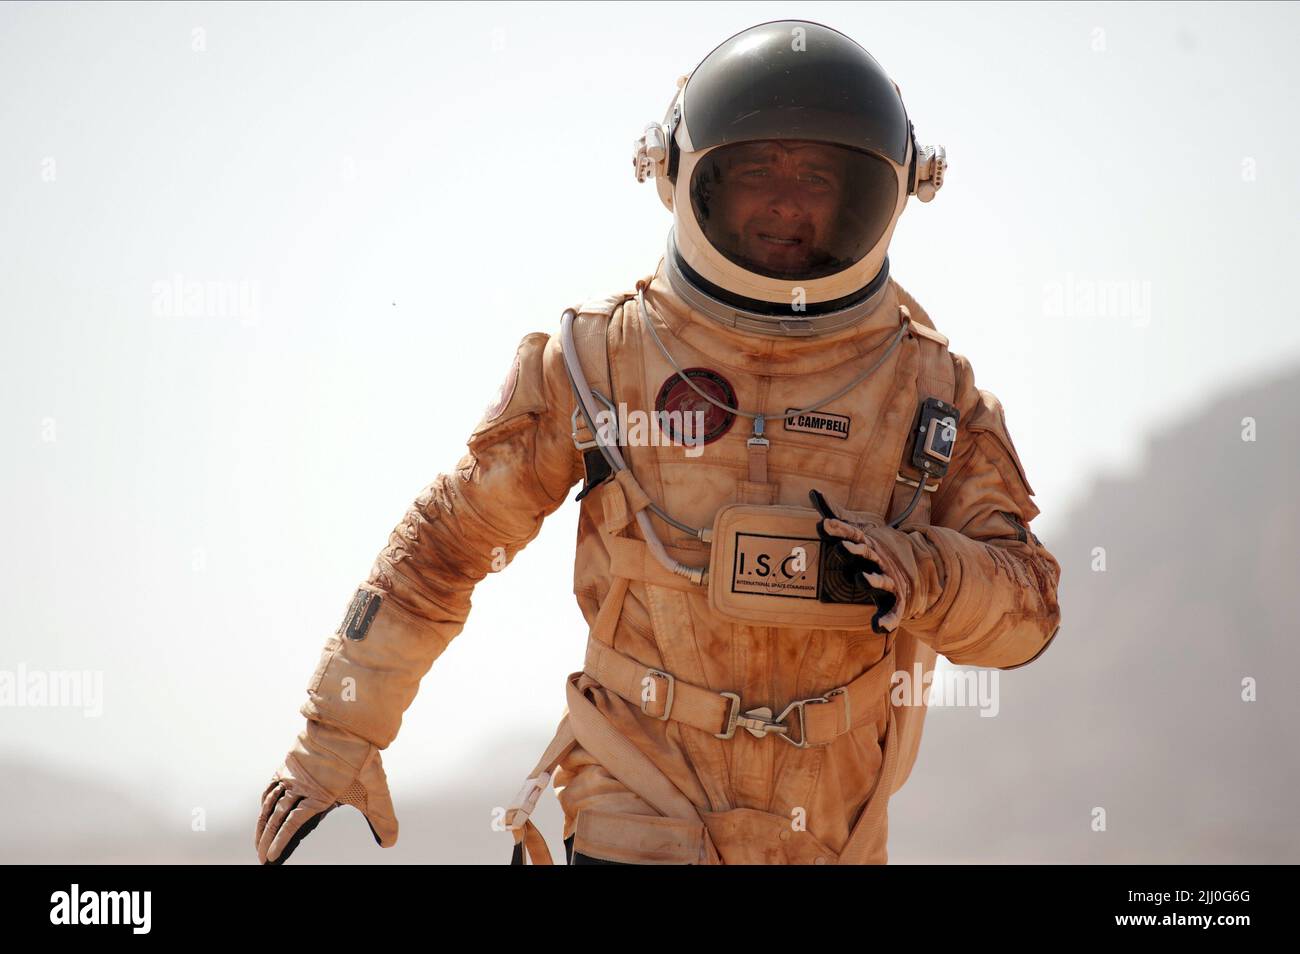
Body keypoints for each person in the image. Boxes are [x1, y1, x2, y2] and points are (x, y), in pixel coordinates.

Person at [255, 18, 1062, 866]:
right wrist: (337, 737)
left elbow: (1028, 612)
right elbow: (449, 546)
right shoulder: (602, 362)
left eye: (816, 175)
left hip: (832, 828)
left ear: (882, 190)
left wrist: (924, 574)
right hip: (637, 809)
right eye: (757, 171)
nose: (786, 201)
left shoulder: (932, 393)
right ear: (684, 176)